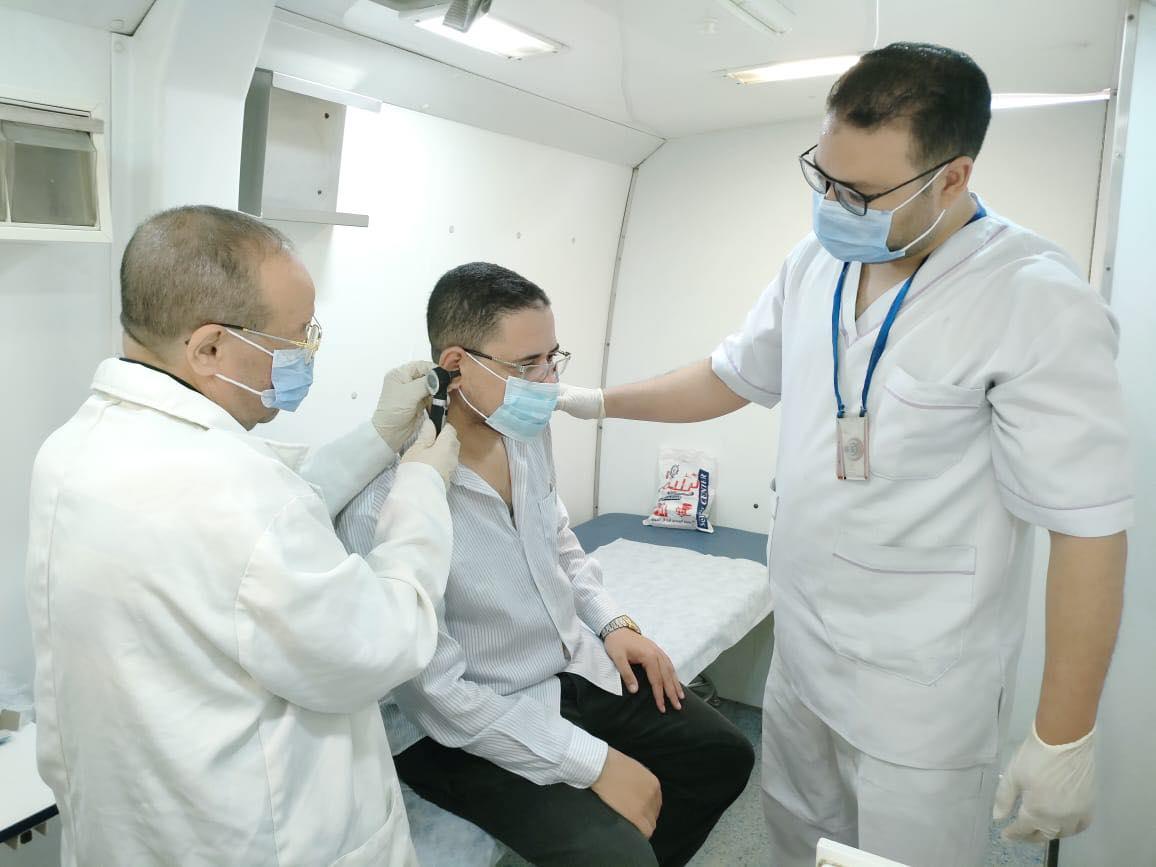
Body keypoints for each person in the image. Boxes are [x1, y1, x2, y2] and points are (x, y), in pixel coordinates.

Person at [555, 43, 1132, 867]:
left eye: (859, 193)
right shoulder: (818, 261)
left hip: (922, 691)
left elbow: (1088, 527)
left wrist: (1064, 732)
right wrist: (594, 401)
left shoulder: (1031, 297)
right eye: (822, 178)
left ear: (952, 177)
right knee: (797, 842)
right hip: (804, 661)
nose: (832, 205)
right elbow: (729, 376)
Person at [24, 205, 460, 867]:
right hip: (255, 839)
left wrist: (378, 437)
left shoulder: (73, 450)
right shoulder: (239, 499)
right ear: (208, 349)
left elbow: (251, 540)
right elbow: (383, 643)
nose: (307, 354)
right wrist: (423, 488)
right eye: (296, 338)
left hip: (136, 829)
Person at [337, 262, 754, 867]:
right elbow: (438, 696)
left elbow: (557, 540)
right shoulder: (384, 500)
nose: (549, 381)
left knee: (724, 757)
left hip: (563, 666)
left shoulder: (523, 430)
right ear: (456, 364)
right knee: (616, 856)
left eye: (553, 358)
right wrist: (596, 763)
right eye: (527, 364)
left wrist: (612, 624)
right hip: (458, 720)